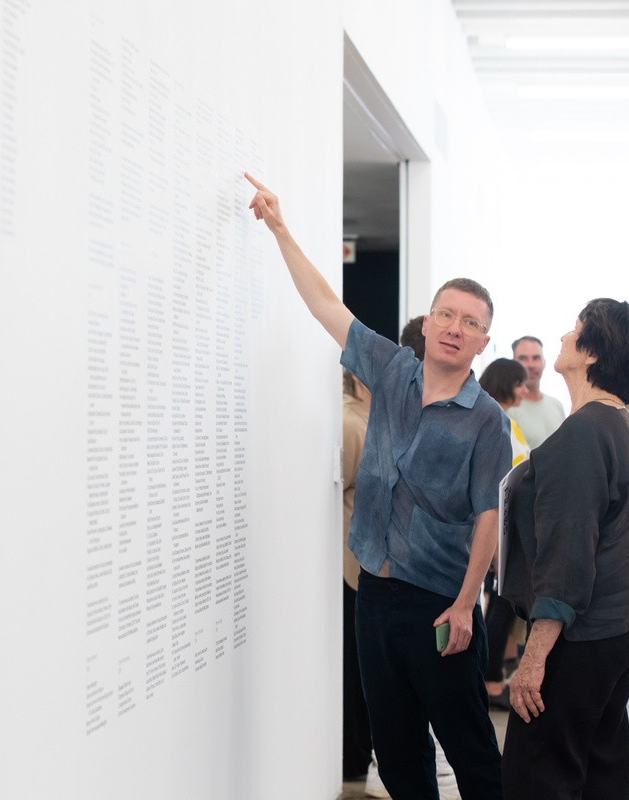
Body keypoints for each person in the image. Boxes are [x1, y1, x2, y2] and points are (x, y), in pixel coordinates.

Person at [246, 173, 510, 800]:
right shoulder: (391, 371)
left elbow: (488, 516)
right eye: (444, 313)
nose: (452, 326)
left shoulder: (486, 420)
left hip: (437, 603)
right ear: (427, 322)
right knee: (395, 747)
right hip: (373, 591)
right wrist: (281, 228)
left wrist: (467, 605)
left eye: (468, 321)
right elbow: (324, 306)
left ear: (482, 341)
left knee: (469, 746)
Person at [499, 298, 629, 800]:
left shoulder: (585, 432)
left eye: (575, 330)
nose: (565, 337)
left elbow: (568, 558)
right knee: (600, 766)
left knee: (538, 773)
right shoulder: (623, 425)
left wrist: (533, 658)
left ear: (592, 353)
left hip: (584, 635)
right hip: (626, 624)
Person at [477, 358, 531, 710]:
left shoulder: (502, 418)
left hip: (508, 528)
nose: (526, 390)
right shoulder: (493, 419)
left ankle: (490, 678)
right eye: (520, 383)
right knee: (499, 608)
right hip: (500, 529)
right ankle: (491, 682)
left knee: (500, 607)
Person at [341, 370, 373, 781]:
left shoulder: (373, 417)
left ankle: (360, 753)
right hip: (353, 567)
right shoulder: (349, 423)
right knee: (354, 670)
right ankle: (352, 757)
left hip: (371, 568)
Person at [508, 336, 566, 448]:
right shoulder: (506, 409)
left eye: (536, 358)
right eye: (523, 358)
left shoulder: (556, 405)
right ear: (513, 363)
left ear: (544, 362)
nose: (530, 365)